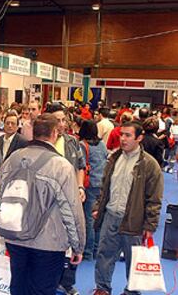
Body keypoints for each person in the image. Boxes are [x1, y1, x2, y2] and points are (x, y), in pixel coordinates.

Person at [0, 113, 85, 295]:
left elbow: (2, 196)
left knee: (18, 288)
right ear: (55, 133)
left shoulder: (12, 159)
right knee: (42, 290)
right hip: (48, 243)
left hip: (15, 236)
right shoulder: (61, 166)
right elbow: (71, 210)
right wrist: (78, 246)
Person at [92, 121, 163, 295]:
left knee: (133, 260)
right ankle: (102, 289)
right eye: (121, 134)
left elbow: (154, 198)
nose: (122, 139)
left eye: (128, 135)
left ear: (139, 138)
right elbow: (104, 187)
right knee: (104, 256)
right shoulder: (114, 159)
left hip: (133, 220)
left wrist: (150, 225)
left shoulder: (149, 165)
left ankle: (131, 291)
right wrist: (98, 207)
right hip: (110, 216)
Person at [47, 102, 86, 295]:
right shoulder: (43, 142)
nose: (62, 124)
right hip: (47, 202)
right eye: (57, 120)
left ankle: (67, 283)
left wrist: (80, 186)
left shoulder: (73, 142)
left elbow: (80, 166)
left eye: (64, 120)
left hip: (70, 199)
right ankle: (50, 279)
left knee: (73, 240)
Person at [78, 120, 108, 261]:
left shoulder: (82, 145)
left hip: (89, 185)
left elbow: (81, 166)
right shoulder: (101, 144)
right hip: (102, 183)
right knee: (99, 217)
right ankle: (97, 249)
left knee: (88, 219)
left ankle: (88, 251)